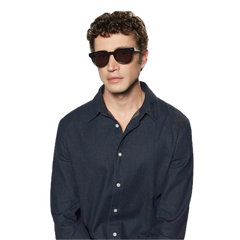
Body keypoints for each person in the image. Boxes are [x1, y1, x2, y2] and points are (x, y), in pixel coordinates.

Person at [51, 9, 193, 240]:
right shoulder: (71, 127)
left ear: (144, 57)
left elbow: (172, 221)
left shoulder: (176, 127)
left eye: (123, 54)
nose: (112, 66)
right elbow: (64, 215)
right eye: (102, 57)